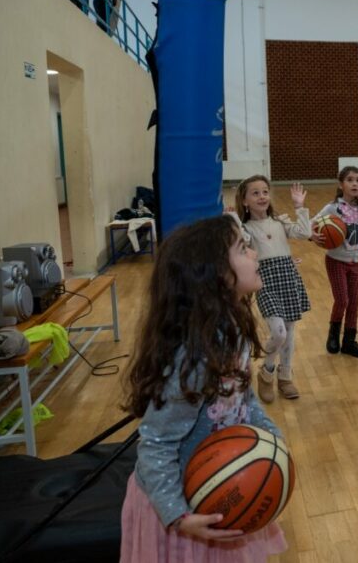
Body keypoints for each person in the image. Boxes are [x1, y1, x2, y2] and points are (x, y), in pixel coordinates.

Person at [120, 215, 287, 561]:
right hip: (182, 509)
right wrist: (178, 515)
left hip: (218, 493)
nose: (254, 253)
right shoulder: (194, 357)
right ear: (216, 275)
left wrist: (273, 441)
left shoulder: (232, 330)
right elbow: (155, 443)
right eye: (243, 248)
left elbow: (244, 398)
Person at [231, 176, 313, 402]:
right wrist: (234, 220)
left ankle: (285, 376)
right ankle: (266, 372)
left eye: (265, 192)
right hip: (265, 281)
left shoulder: (279, 222)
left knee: (290, 331)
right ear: (244, 200)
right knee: (279, 332)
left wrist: (300, 207)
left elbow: (305, 233)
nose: (262, 196)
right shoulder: (246, 228)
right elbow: (243, 241)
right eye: (255, 193)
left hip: (288, 277)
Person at [314, 166, 358, 358]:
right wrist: (313, 236)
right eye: (350, 180)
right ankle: (333, 334)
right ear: (341, 185)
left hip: (355, 263)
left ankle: (349, 341)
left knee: (354, 303)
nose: (355, 183)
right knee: (342, 300)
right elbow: (313, 224)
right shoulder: (332, 208)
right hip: (336, 261)